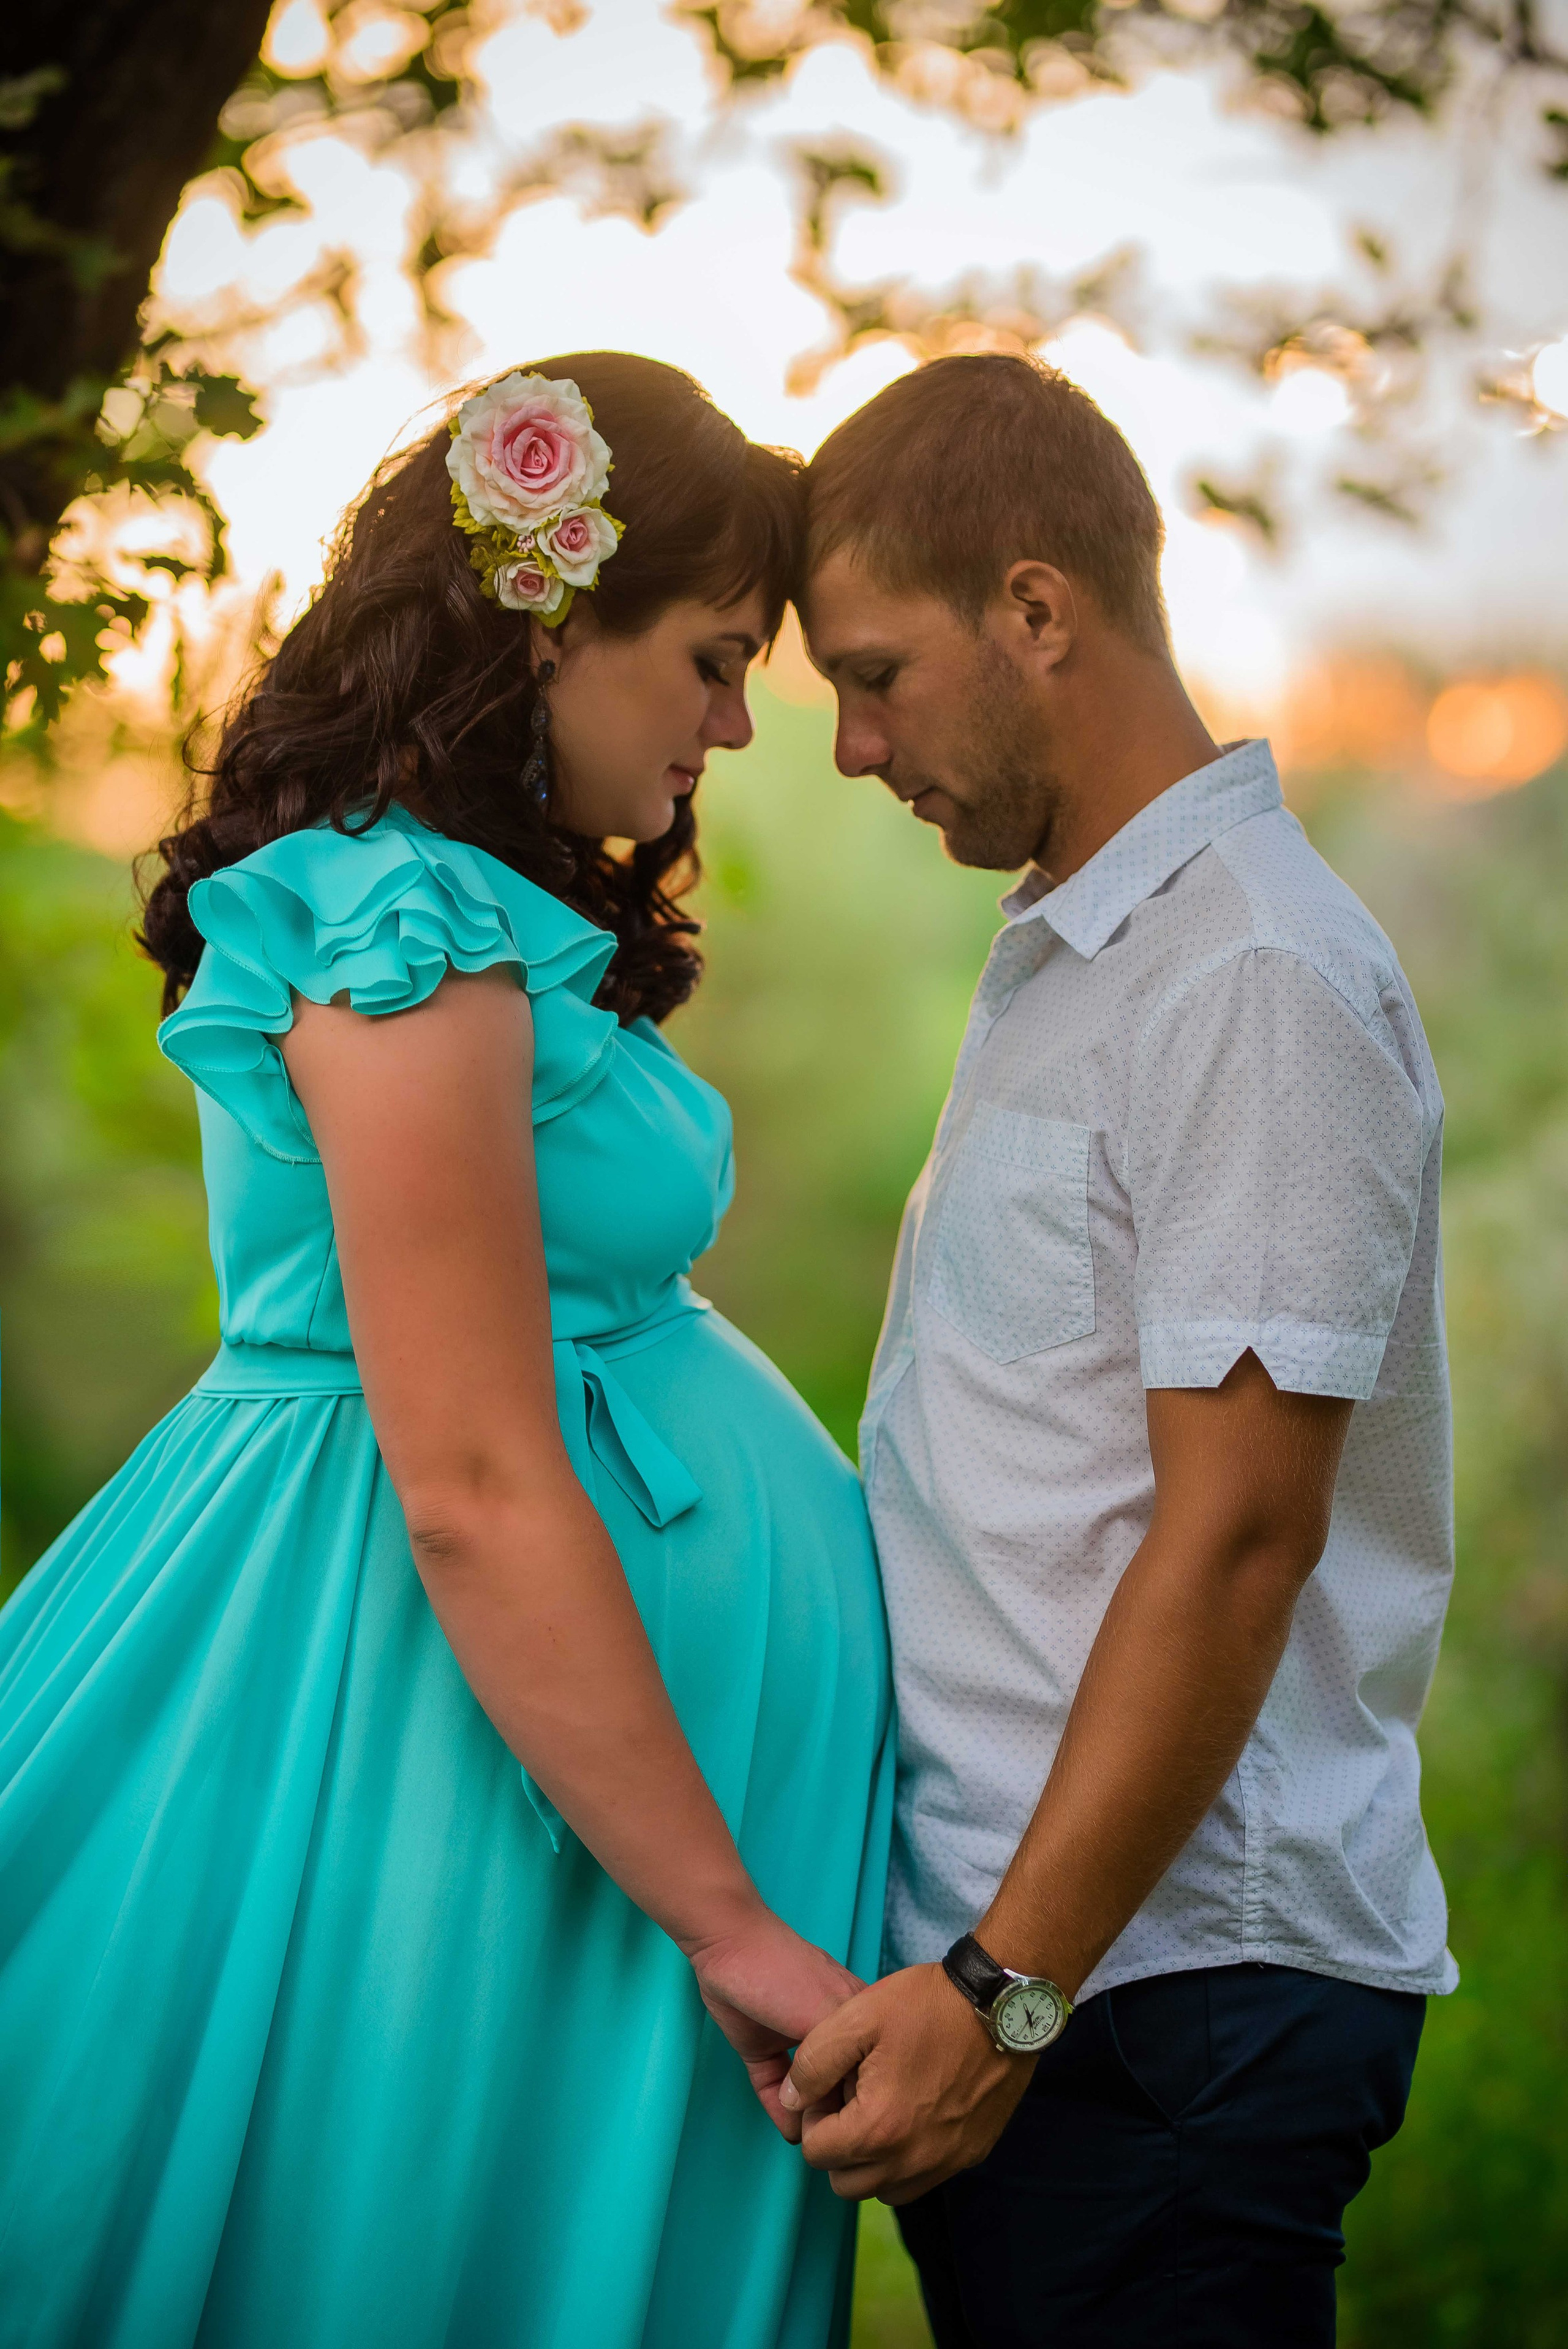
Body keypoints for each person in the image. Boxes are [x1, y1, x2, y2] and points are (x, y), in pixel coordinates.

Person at [0, 354, 892, 2349]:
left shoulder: (473, 911)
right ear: (555, 616)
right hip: (418, 1725)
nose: (737, 725)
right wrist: (728, 1919)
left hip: (554, 1777)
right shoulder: (396, 927)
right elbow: (476, 1482)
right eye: (715, 660)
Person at [779, 352, 1455, 2348]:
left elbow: (1237, 1539)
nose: (851, 746)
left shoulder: (1251, 969)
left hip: (1159, 2004)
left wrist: (1007, 1990)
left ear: (1037, 609)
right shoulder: (1098, 943)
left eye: (875, 676)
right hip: (1070, 1983)